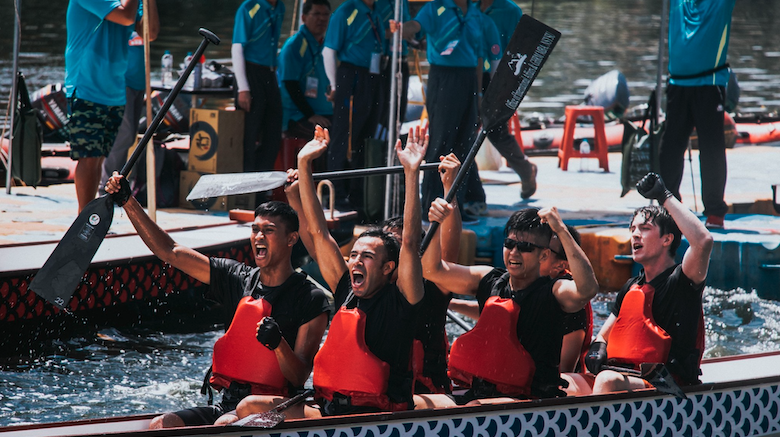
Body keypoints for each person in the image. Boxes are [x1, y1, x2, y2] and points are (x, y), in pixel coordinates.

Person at [104, 175, 329, 428]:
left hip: (276, 408)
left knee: (224, 425)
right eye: (255, 230)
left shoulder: (311, 298)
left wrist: (278, 344)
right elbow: (171, 252)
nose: (258, 237)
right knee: (163, 423)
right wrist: (128, 202)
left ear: (291, 239)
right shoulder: (236, 277)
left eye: (269, 231)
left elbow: (299, 375)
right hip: (228, 404)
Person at [236, 124, 427, 418]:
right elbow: (318, 232)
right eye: (353, 255)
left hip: (379, 417)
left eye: (367, 256)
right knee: (248, 407)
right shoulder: (345, 290)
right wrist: (304, 164)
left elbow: (411, 242)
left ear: (389, 267)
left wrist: (412, 174)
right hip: (329, 412)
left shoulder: (403, 300)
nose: (356, 262)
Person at [417, 205, 599, 406]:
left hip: (532, 402)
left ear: (544, 256)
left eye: (525, 247)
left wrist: (561, 230)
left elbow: (587, 289)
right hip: (482, 394)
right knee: (417, 402)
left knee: (473, 408)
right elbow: (431, 270)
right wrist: (436, 224)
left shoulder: (554, 291)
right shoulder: (489, 279)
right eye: (509, 244)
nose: (514, 252)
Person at [577, 172, 713, 395]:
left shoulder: (682, 281)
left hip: (670, 386)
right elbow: (603, 335)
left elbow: (703, 241)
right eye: (632, 230)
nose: (635, 236)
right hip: (627, 377)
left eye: (645, 229)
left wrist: (664, 196)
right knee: (568, 382)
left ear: (667, 239)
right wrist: (598, 348)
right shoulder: (631, 287)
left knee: (607, 381)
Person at [393, 0, 501, 222]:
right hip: (443, 78)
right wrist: (401, 29)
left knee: (464, 143)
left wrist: (479, 96)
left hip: (469, 79)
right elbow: (416, 25)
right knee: (441, 142)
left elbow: (480, 58)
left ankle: (455, 207)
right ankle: (430, 205)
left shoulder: (477, 15)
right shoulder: (435, 8)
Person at [447, 224, 593, 374]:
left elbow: (565, 368)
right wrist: (451, 304)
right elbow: (501, 315)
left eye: (542, 250)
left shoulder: (568, 299)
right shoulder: (525, 283)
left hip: (551, 382)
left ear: (560, 265)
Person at [382, 153, 463, 396]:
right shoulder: (368, 286)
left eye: (402, 247)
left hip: (428, 393)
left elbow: (449, 252)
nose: (398, 252)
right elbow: (318, 237)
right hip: (381, 392)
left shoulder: (432, 286)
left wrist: (450, 186)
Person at [65, 0, 147, 213]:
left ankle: (91, 214)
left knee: (99, 158)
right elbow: (126, 17)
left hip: (115, 93)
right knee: (89, 157)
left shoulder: (127, 2)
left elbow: (150, 33)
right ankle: (84, 218)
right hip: (85, 88)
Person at [660, 0, 736, 229]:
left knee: (711, 148)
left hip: (709, 85)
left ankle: (714, 211)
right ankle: (667, 205)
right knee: (671, 147)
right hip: (677, 85)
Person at [322, 0, 391, 211]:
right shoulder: (345, 12)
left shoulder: (377, 12)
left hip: (373, 76)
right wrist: (334, 85)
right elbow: (328, 51)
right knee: (344, 136)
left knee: (366, 137)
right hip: (350, 76)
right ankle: (335, 192)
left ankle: (358, 192)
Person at [477, 0, 538, 200]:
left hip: (498, 75)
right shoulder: (469, 6)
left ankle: (525, 169)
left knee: (496, 130)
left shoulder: (510, 10)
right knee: (467, 130)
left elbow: (522, 49)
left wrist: (509, 85)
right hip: (471, 71)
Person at [99, 3, 159, 194]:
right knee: (121, 136)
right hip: (118, 80)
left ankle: (119, 186)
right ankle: (105, 189)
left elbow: (152, 33)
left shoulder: (141, 5)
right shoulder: (115, 5)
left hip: (138, 81)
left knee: (131, 135)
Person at [232, 0, 285, 175]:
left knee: (273, 133)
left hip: (269, 73)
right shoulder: (249, 7)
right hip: (250, 72)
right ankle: (246, 190)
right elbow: (237, 47)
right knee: (250, 134)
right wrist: (243, 88)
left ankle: (262, 188)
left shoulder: (280, 7)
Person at [278, 0, 333, 140]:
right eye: (316, 14)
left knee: (348, 129)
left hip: (322, 112)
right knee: (328, 137)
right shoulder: (294, 45)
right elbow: (290, 84)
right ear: (303, 17)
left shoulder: (324, 45)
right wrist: (310, 115)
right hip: (298, 116)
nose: (322, 19)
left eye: (326, 14)